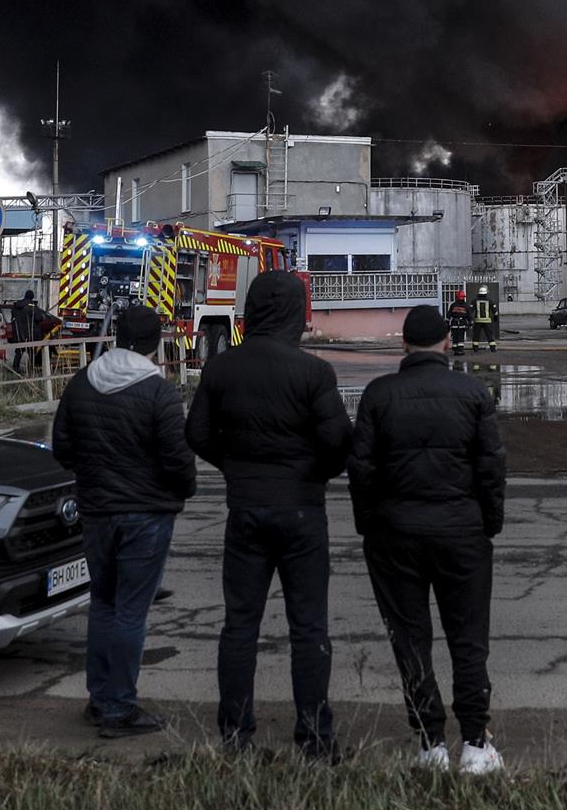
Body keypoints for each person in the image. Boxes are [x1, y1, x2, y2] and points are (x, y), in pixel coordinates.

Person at [186, 271, 350, 761]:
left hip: (245, 511)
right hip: (302, 510)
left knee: (239, 626)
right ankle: (315, 740)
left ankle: (236, 738)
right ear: (295, 314)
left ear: (252, 310)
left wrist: (235, 468)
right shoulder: (313, 372)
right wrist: (314, 473)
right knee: (309, 628)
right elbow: (339, 441)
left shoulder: (222, 369)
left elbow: (196, 434)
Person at [348, 305, 507, 774]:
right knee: (469, 639)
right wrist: (488, 524)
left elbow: (361, 469)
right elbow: (492, 468)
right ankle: (476, 745)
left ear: (403, 345)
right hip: (462, 533)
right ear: (447, 343)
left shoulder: (378, 395)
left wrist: (370, 525)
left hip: (394, 535)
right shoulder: (472, 392)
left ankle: (430, 744)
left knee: (410, 640)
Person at [50, 304, 196, 740]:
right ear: (156, 342)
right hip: (146, 517)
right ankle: (118, 708)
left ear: (115, 336)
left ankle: (99, 698)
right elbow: (179, 462)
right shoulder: (159, 392)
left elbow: (62, 449)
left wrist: (95, 478)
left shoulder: (82, 384)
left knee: (105, 604)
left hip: (96, 513)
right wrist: (177, 492)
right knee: (132, 610)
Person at [469, 285, 498, 353]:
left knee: (476, 335)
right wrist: (495, 318)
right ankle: (493, 349)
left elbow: (470, 311)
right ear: (486, 293)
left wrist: (470, 320)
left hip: (478, 321)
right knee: (490, 335)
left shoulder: (474, 300)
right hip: (487, 321)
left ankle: (475, 349)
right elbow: (495, 312)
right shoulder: (490, 300)